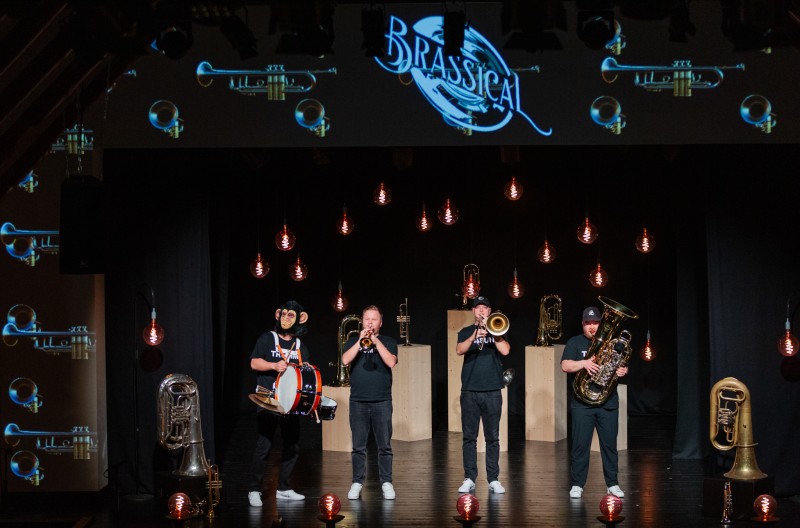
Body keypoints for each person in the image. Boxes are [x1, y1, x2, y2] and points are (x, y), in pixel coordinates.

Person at [560, 305, 627, 499]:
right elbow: (565, 365)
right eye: (588, 323)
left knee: (609, 446)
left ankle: (612, 484)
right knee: (580, 446)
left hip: (607, 403)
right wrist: (584, 363)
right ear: (582, 324)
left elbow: (622, 363)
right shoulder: (574, 342)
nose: (592, 327)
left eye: (595, 323)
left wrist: (623, 370)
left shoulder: (612, 342)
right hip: (582, 403)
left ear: (601, 324)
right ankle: (577, 484)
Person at [247, 300, 310, 507]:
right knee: (264, 445)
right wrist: (274, 365)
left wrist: (305, 370)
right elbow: (254, 362)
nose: (286, 318)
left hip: (290, 402)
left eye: (291, 315)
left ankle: (283, 488)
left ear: (300, 319)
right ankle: (254, 490)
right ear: (278, 315)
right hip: (268, 398)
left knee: (292, 445)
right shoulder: (268, 338)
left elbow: (303, 373)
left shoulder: (299, 345)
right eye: (284, 314)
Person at [455, 295, 510, 495]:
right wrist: (474, 336)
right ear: (473, 311)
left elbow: (505, 351)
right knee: (469, 437)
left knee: (492, 437)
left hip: (492, 390)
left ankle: (493, 479)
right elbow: (459, 350)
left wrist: (493, 333)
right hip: (470, 390)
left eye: (484, 308)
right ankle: (469, 478)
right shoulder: (465, 331)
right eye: (477, 308)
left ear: (489, 311)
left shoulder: (498, 329)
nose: (481, 311)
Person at [342, 305, 399, 501]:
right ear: (362, 321)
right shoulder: (353, 341)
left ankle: (386, 482)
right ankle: (357, 482)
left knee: (384, 446)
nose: (370, 323)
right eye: (367, 319)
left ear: (380, 323)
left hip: (382, 400)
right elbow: (345, 360)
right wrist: (360, 341)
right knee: (358, 446)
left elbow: (391, 362)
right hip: (358, 400)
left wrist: (375, 341)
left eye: (374, 319)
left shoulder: (388, 341)